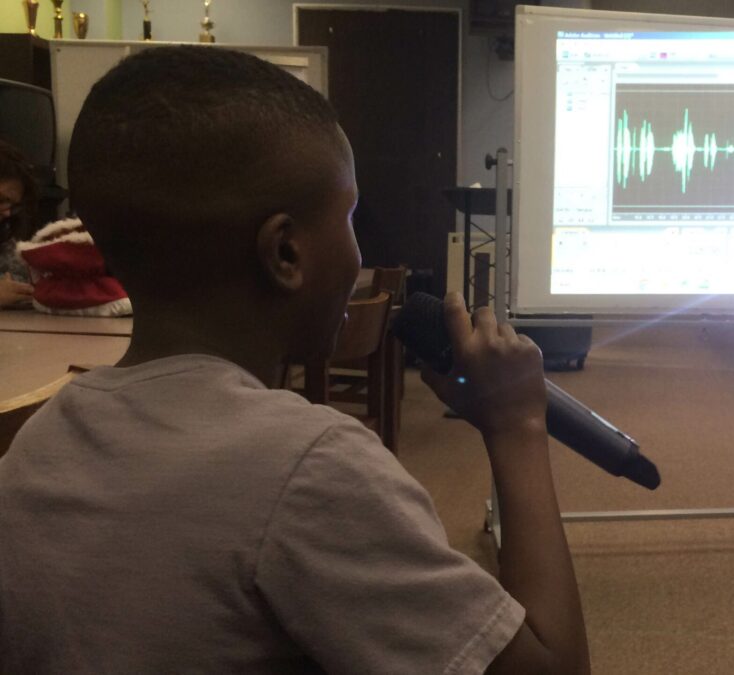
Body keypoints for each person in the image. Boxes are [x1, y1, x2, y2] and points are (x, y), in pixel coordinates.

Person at [0, 46, 589, 674]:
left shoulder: (37, 444)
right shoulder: (311, 468)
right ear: (285, 252)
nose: (360, 248)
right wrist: (518, 426)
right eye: (349, 216)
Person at [0, 139, 36, 307]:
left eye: (12, 205)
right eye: (1, 200)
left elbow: (22, 277)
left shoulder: (4, 235)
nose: (7, 213)